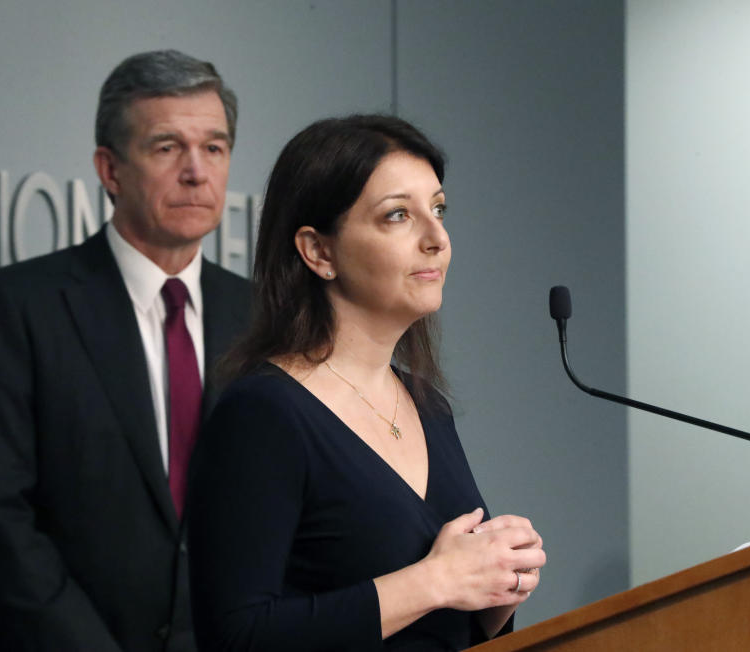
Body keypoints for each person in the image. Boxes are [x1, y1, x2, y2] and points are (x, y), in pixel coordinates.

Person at [187, 115, 545, 651]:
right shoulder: (263, 413)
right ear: (319, 252)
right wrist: (438, 579)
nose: (437, 238)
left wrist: (496, 592)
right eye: (398, 215)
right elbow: (238, 635)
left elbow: (437, 627)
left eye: (439, 209)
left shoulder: (430, 407)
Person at [0, 49, 251, 651]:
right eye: (167, 148)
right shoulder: (16, 307)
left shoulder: (262, 317)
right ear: (110, 171)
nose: (196, 171)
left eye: (214, 147)